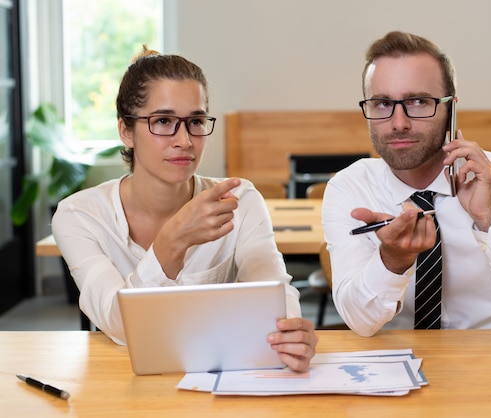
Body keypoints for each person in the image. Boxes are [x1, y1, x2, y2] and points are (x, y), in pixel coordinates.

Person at [51, 46, 317, 371]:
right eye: (163, 121)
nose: (185, 140)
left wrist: (290, 333)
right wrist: (171, 244)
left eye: (196, 121)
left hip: (222, 375)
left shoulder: (240, 200)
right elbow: (118, 326)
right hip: (124, 382)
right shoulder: (79, 215)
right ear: (126, 131)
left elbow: (272, 293)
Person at [322, 31, 491, 338]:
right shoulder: (349, 188)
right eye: (382, 104)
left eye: (418, 102)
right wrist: (392, 261)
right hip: (392, 366)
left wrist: (490, 220)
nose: (399, 122)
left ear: (451, 110)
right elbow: (360, 323)